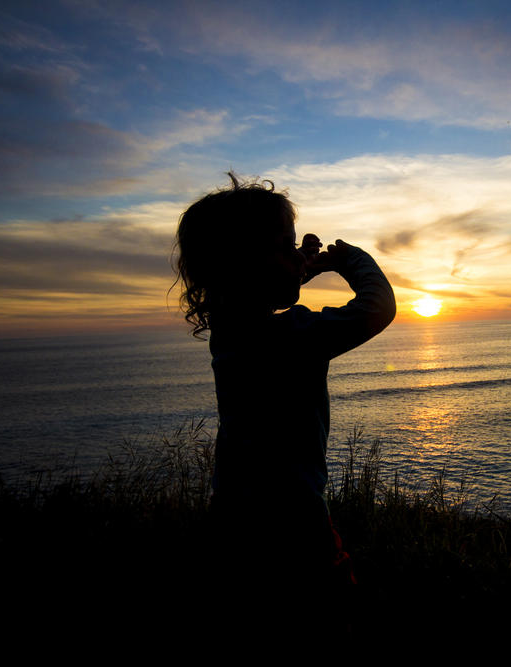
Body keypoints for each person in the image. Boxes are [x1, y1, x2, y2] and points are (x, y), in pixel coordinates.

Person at [174, 173, 395, 614]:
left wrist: (295, 266)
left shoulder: (231, 335)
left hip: (235, 513)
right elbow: (377, 308)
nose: (299, 253)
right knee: (319, 617)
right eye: (286, 245)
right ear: (247, 264)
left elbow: (256, 293)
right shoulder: (293, 337)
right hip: (293, 519)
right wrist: (353, 262)